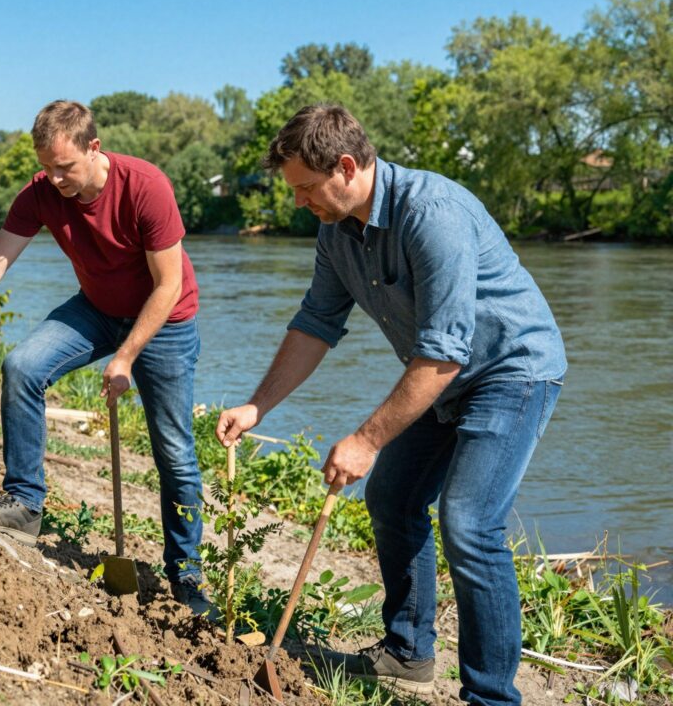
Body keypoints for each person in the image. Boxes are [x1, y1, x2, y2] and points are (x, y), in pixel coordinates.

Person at [216, 104, 566, 704]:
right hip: (443, 375)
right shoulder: (336, 232)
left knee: (469, 524)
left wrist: (367, 440)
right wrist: (258, 406)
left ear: (346, 167)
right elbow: (316, 323)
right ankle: (407, 653)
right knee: (392, 497)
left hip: (511, 372)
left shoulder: (433, 214)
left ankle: (491, 696)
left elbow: (442, 353)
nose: (299, 202)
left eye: (304, 188)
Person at [0, 100, 208, 613]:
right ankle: (23, 506)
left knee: (173, 452)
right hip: (97, 309)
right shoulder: (41, 194)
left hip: (165, 320)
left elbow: (168, 285)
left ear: (94, 147)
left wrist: (126, 357)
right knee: (22, 366)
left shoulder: (145, 186)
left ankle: (186, 576)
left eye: (64, 167)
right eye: (46, 167)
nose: (56, 179)